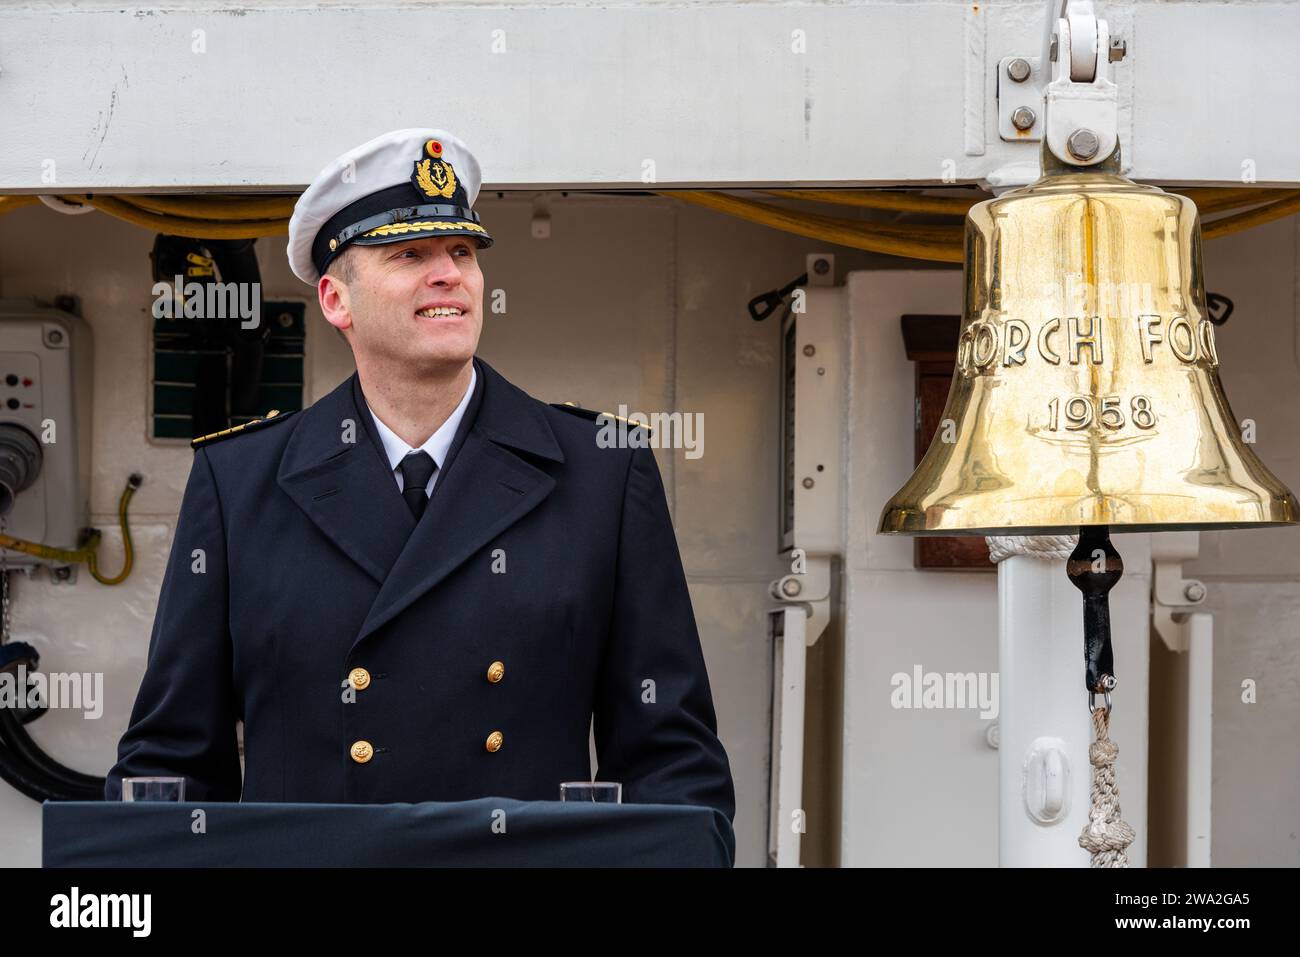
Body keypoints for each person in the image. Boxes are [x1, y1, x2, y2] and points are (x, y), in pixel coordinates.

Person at [105, 128, 736, 841]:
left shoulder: (600, 470)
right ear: (336, 299)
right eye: (410, 254)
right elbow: (172, 762)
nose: (450, 274)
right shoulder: (240, 481)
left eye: (462, 252)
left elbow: (672, 760)